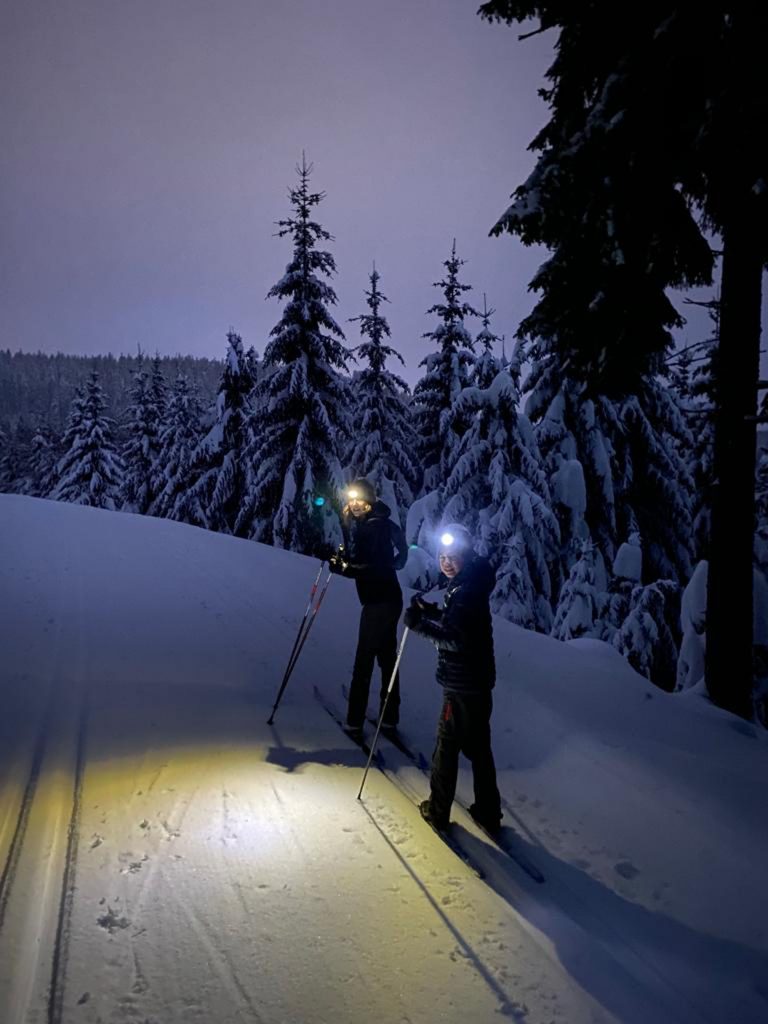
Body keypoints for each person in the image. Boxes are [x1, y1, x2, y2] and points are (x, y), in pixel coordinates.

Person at [403, 524, 502, 834]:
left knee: (447, 747)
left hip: (461, 684)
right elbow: (459, 624)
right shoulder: (469, 583)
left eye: (453, 557)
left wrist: (419, 626)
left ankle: (438, 811)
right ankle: (488, 811)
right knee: (479, 747)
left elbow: (456, 640)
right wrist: (432, 612)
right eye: (442, 557)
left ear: (466, 555)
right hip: (478, 681)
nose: (446, 563)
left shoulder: (466, 592)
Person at [328, 478, 408, 736]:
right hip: (390, 598)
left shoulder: (371, 527)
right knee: (386, 658)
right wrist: (390, 564)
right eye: (352, 500)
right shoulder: (380, 522)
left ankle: (354, 722)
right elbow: (398, 552)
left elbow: (364, 566)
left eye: (360, 501)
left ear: (370, 502)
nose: (355, 505)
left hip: (377, 602)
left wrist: (341, 567)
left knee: (364, 660)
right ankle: (389, 717)